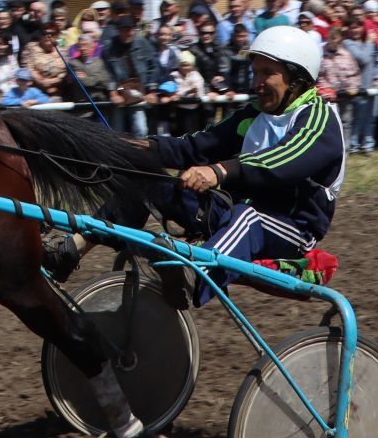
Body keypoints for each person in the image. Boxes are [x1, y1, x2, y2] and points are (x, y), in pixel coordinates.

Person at [45, 26, 344, 304]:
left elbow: (282, 163)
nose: (257, 83)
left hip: (291, 230)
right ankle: (71, 249)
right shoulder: (252, 115)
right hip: (232, 213)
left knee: (248, 216)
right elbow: (194, 147)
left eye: (268, 73)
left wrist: (219, 171)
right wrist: (132, 147)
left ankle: (195, 277)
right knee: (146, 177)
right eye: (255, 73)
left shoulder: (319, 117)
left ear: (297, 77)